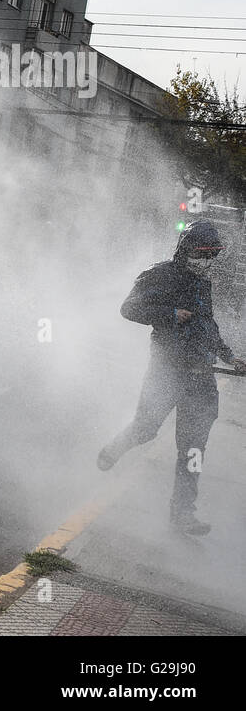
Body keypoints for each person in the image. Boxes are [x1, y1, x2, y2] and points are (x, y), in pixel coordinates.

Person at [98, 219, 246, 534]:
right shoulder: (160, 275)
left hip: (201, 378)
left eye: (212, 254)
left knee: (193, 448)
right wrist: (169, 314)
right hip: (166, 372)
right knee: (146, 429)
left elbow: (208, 327)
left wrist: (229, 356)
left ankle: (183, 513)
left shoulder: (202, 283)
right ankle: (116, 447)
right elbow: (128, 309)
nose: (206, 260)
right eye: (201, 252)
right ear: (185, 248)